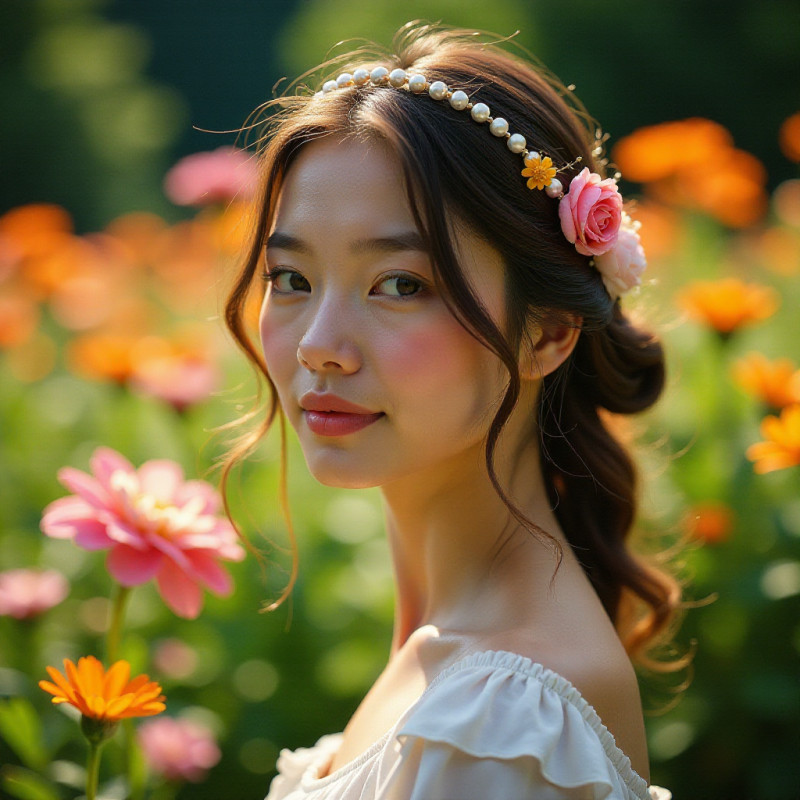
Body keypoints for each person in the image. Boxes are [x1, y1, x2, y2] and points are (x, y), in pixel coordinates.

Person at [224, 22, 680, 800]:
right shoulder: (459, 662)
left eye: (400, 284)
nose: (319, 347)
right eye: (290, 277)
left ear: (548, 332)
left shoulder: (503, 722)